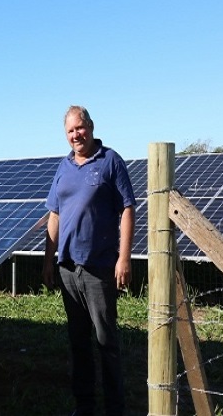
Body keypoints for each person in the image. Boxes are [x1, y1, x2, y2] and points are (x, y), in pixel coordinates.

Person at [43, 105, 136, 416]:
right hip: (68, 267)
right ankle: (84, 406)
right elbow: (54, 215)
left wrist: (124, 257)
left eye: (79, 128)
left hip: (98, 267)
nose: (75, 135)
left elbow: (127, 208)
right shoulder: (63, 168)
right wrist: (48, 259)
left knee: (105, 341)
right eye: (70, 131)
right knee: (78, 342)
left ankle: (115, 408)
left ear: (91, 126)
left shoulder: (110, 161)